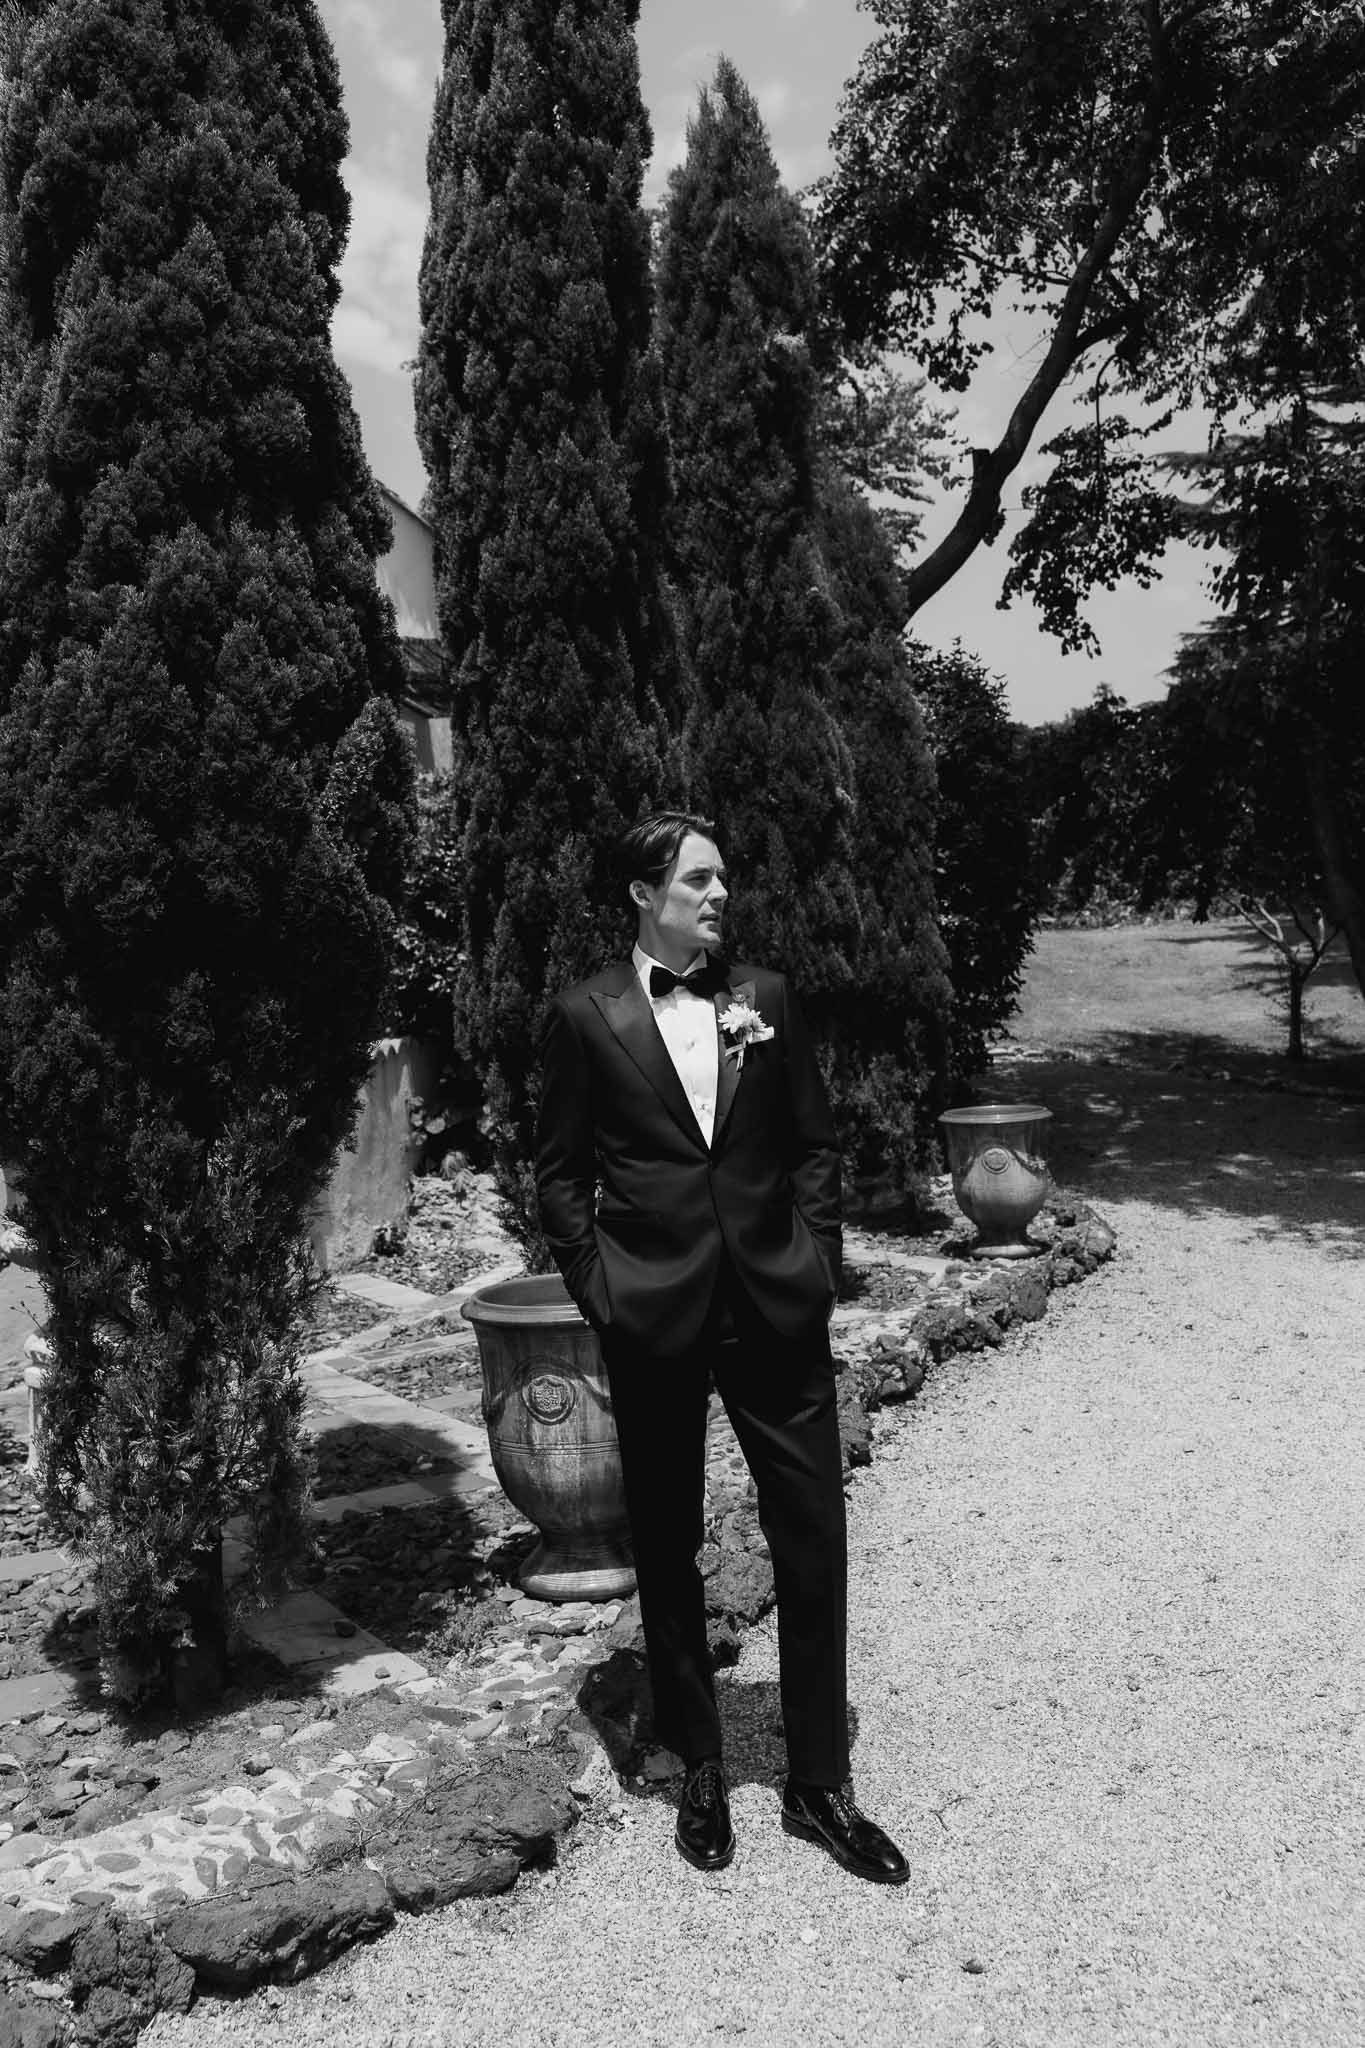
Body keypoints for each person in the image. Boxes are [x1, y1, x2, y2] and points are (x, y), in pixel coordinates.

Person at [535, 809, 908, 1884]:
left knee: (814, 1530)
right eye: (699, 879)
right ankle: (699, 1759)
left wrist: (817, 1262)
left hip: (773, 1305)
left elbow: (814, 1143)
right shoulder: (587, 1011)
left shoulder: (767, 999)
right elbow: (559, 1172)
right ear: (643, 893)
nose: (719, 895)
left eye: (723, 879)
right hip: (651, 1309)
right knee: (666, 1535)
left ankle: (820, 1782)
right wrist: (598, 1286)